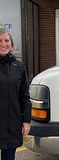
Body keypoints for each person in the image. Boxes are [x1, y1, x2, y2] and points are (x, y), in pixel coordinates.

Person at [0, 28, 31, 160]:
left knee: (8, 157)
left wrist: (26, 121)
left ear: (11, 44)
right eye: (0, 41)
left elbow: (24, 96)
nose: (3, 44)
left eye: (6, 40)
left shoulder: (18, 67)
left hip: (11, 122)